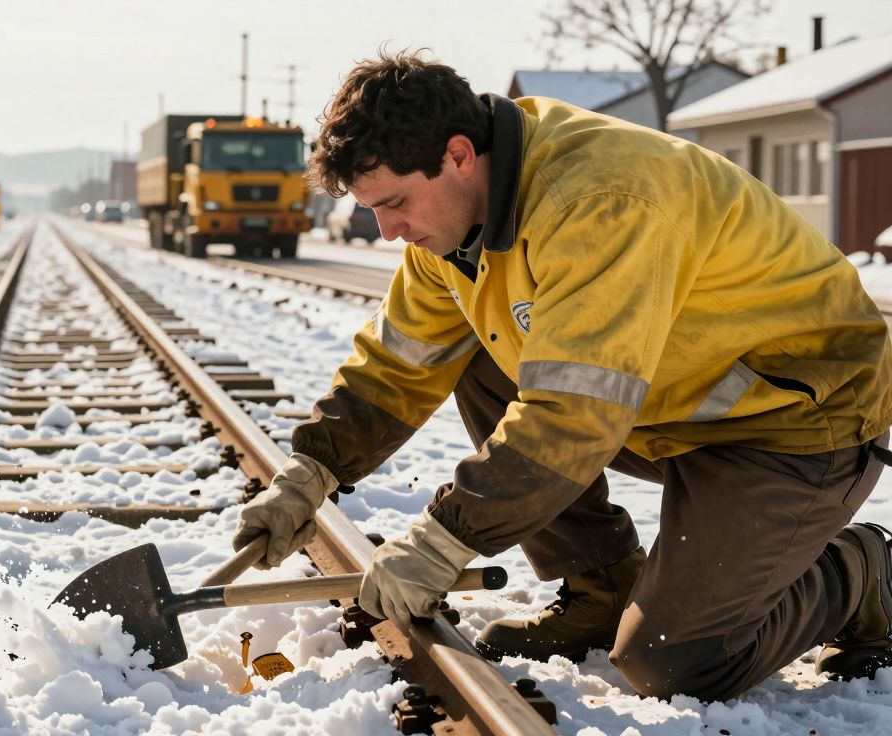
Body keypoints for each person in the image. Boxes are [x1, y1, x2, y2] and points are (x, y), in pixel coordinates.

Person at [232, 49, 892, 701]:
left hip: (796, 419)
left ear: (459, 155)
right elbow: (397, 365)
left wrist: (444, 538)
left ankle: (862, 571)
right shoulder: (452, 225)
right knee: (478, 352)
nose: (386, 231)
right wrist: (309, 473)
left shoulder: (599, 198)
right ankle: (600, 588)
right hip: (674, 408)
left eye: (395, 202)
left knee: (675, 665)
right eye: (373, 208)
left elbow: (573, 413)